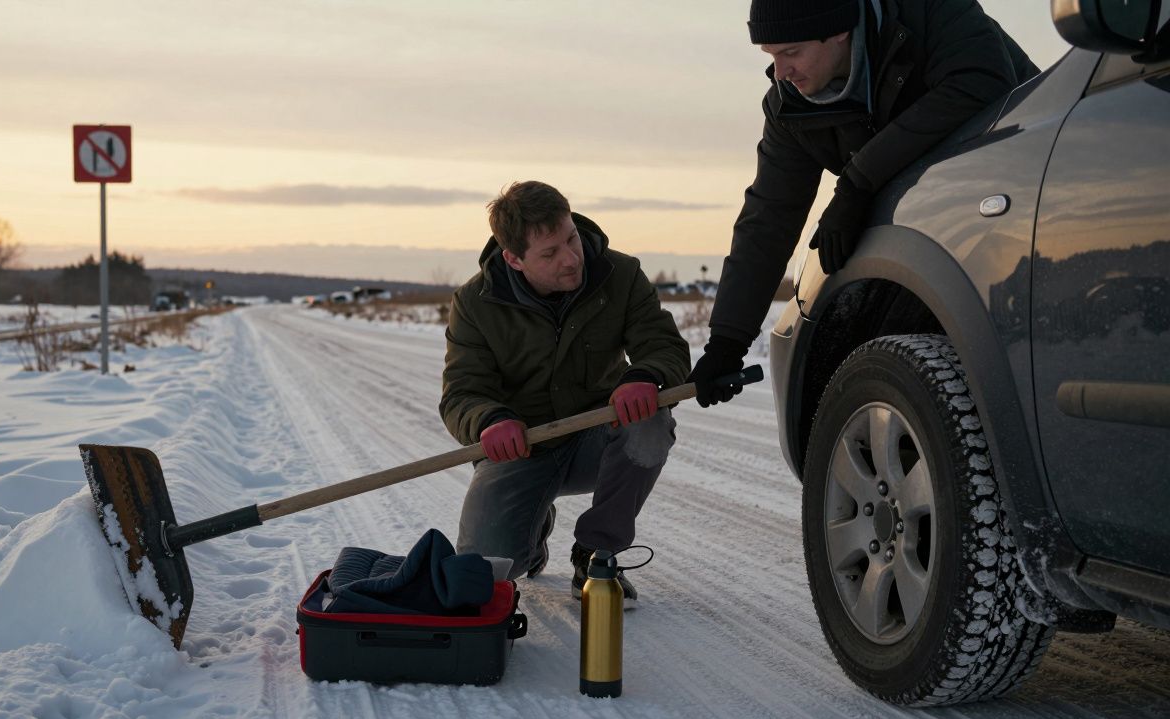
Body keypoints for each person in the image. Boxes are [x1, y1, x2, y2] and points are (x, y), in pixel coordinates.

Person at [688, 0, 1039, 405]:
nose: (779, 73)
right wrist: (727, 343)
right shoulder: (789, 107)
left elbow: (982, 82)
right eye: (770, 56)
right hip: (936, 245)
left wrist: (858, 183)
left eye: (791, 52)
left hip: (1032, 207)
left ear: (839, 30)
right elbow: (768, 219)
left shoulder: (930, 13)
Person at [440, 181, 690, 603]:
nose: (571, 258)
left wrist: (644, 376)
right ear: (514, 259)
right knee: (488, 569)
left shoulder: (620, 274)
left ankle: (596, 554)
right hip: (524, 449)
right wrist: (489, 421)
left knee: (649, 422)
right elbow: (462, 392)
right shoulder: (474, 303)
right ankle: (533, 524)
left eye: (571, 238)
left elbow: (664, 346)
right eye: (550, 253)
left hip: (598, 436)